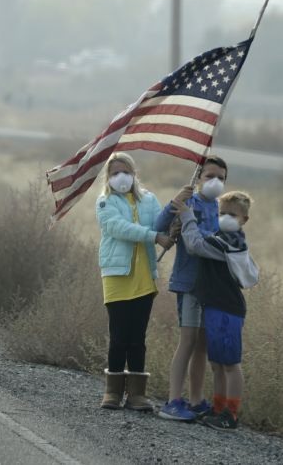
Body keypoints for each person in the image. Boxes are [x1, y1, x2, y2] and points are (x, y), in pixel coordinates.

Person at [171, 190, 257, 431]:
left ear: (244, 220)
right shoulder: (221, 236)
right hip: (216, 308)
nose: (226, 217)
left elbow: (196, 245)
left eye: (232, 214)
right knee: (217, 363)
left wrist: (188, 218)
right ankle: (218, 408)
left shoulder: (231, 242)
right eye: (222, 213)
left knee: (230, 364)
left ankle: (231, 413)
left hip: (227, 310)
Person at [96, 152, 173, 411]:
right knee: (119, 336)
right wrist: (154, 237)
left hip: (144, 278)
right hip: (118, 277)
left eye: (125, 171)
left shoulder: (149, 200)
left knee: (138, 337)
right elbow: (119, 228)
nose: (121, 177)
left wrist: (177, 210)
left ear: (134, 173)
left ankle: (137, 395)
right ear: (108, 177)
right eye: (115, 173)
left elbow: (161, 224)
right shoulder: (105, 202)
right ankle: (113, 392)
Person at [156, 155, 228, 422]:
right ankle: (173, 400)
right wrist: (176, 202)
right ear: (198, 179)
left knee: (202, 346)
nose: (215, 182)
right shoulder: (188, 203)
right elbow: (158, 226)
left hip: (211, 287)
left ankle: (196, 400)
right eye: (210, 176)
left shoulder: (221, 209)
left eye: (221, 178)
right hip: (189, 284)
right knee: (187, 342)